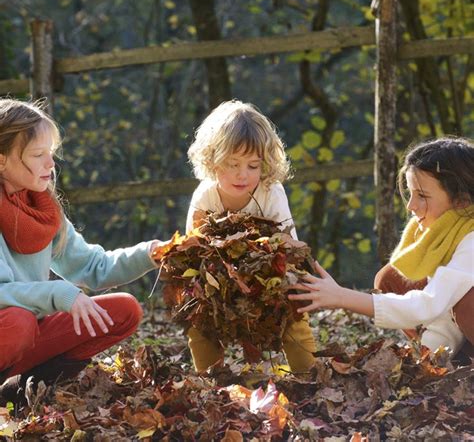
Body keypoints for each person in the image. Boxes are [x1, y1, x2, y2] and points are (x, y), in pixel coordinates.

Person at [0, 98, 161, 407]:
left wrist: (151, 253)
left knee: (123, 311)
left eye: (51, 153)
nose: (51, 164)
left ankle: (22, 389)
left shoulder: (43, 210)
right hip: (10, 328)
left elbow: (92, 266)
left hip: (26, 330)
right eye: (38, 155)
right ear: (2, 160)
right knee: (17, 323)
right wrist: (58, 293)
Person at [289, 137, 474, 361]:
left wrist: (341, 296)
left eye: (422, 196)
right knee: (391, 279)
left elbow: (429, 305)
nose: (410, 206)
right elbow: (443, 317)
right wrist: (423, 362)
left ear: (461, 202)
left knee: (467, 303)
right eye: (410, 193)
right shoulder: (446, 233)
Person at [185, 99, 317, 373]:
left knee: (295, 310)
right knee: (197, 317)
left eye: (253, 166)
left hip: (268, 276)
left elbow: (287, 244)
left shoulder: (271, 192)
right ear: (212, 160)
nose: (242, 174)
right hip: (219, 281)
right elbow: (192, 249)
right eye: (232, 163)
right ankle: (212, 381)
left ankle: (309, 376)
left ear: (265, 164)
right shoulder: (206, 195)